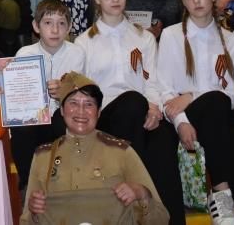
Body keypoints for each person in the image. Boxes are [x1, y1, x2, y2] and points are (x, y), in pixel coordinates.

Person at [156, 0, 234, 225]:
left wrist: (191, 94)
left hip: (218, 116)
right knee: (219, 110)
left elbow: (233, 95)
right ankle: (221, 193)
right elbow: (165, 89)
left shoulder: (232, 40)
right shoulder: (171, 36)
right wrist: (182, 122)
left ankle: (230, 201)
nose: (196, 1)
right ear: (183, 1)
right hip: (183, 117)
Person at [74, 0, 184, 224]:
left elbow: (153, 81)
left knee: (164, 138)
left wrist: (154, 109)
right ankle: (135, 200)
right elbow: (85, 92)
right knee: (132, 100)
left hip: (144, 114)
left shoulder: (144, 38)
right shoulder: (83, 43)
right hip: (106, 119)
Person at [21, 71, 170, 225]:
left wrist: (142, 194)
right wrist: (33, 212)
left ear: (98, 112)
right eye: (73, 103)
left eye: (89, 104)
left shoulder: (122, 152)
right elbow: (26, 221)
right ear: (62, 111)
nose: (81, 111)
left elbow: (161, 219)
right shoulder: (43, 157)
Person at [0, 0, 85, 190]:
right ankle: (29, 183)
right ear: (36, 26)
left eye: (61, 24)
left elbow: (82, 93)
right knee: (22, 125)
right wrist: (4, 94)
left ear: (69, 28)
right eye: (48, 23)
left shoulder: (77, 53)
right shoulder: (24, 54)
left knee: (64, 120)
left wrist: (64, 92)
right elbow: (17, 94)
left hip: (60, 118)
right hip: (34, 120)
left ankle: (64, 183)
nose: (55, 30)